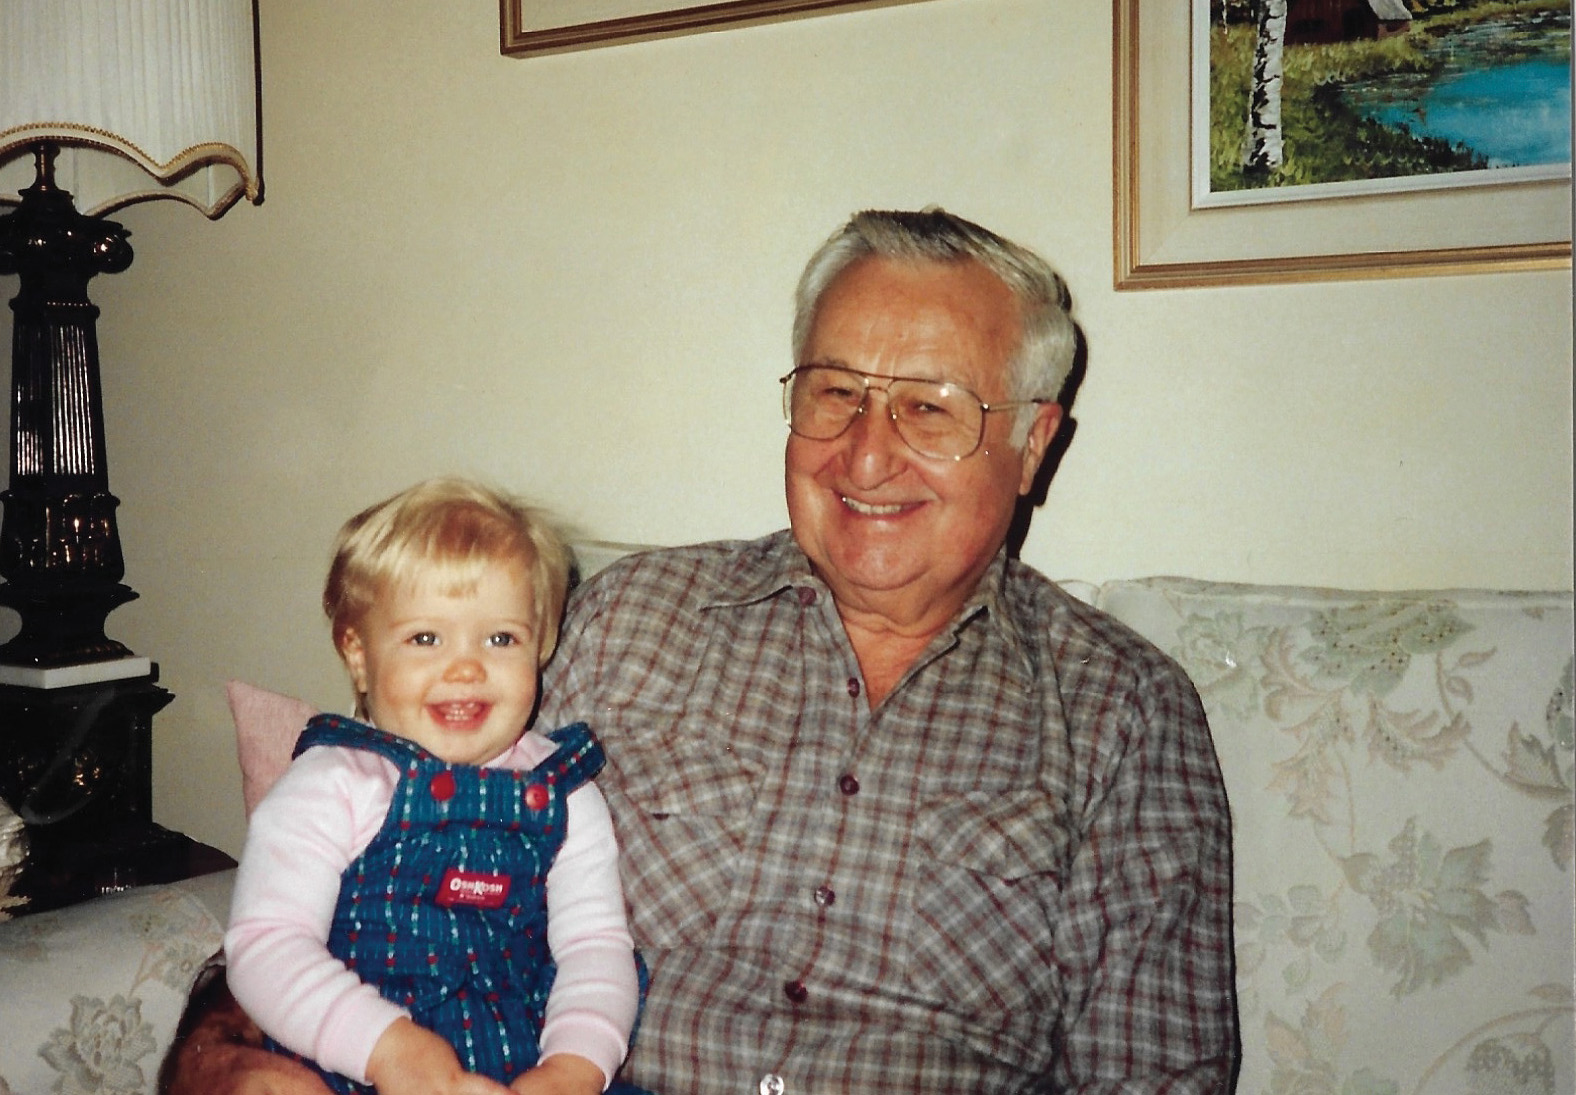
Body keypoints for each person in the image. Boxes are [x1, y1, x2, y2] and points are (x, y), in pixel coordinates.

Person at [164, 209, 1237, 1094]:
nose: (866, 451)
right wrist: (226, 1054)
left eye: (927, 408)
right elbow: (364, 860)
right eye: (834, 394)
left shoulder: (1120, 711)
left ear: (1033, 443)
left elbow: (1153, 1077)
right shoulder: (628, 619)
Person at [223, 478, 649, 1095]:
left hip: (527, 1069)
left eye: (501, 638)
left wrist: (573, 1069)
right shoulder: (334, 782)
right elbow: (267, 946)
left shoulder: (564, 794)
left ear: (543, 647)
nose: (467, 666)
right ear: (359, 653)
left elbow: (596, 950)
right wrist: (390, 1052)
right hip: (359, 1066)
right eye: (426, 638)